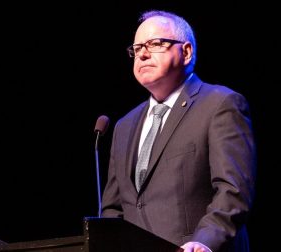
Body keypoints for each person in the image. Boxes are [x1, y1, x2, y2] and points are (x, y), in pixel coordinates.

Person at [100, 10, 256, 252]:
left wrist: (204, 241)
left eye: (155, 44)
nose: (142, 53)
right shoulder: (124, 126)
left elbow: (232, 191)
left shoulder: (219, 105)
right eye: (137, 47)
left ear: (186, 52)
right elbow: (113, 209)